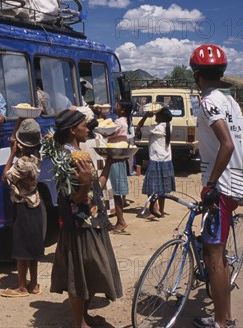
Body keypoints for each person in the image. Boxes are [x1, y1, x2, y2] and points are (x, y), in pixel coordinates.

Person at [189, 45, 243, 328]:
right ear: (222, 73)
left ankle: (220, 323)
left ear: (196, 75)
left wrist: (212, 184)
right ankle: (225, 317)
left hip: (220, 190)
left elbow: (227, 144)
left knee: (213, 257)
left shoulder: (207, 102)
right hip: (234, 187)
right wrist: (238, 174)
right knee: (218, 254)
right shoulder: (231, 102)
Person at [49, 109, 123, 328]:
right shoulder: (65, 157)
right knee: (78, 275)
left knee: (91, 272)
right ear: (73, 129)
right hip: (79, 226)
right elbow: (77, 199)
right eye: (84, 125)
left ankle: (84, 315)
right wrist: (83, 182)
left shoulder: (81, 153)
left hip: (94, 221)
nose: (87, 129)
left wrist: (109, 163)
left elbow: (96, 190)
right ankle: (78, 322)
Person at [0, 118, 44, 297]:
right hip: (36, 206)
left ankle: (21, 287)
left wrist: (11, 154)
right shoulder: (36, 157)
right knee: (32, 249)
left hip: (23, 207)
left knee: (21, 250)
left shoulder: (21, 163)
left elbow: (5, 178)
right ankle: (33, 285)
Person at [136, 108, 176, 217]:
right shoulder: (168, 126)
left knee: (151, 187)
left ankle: (154, 208)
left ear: (162, 117)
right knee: (163, 189)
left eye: (157, 115)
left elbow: (138, 128)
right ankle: (161, 210)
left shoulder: (156, 128)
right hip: (167, 160)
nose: (155, 117)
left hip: (156, 160)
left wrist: (145, 116)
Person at [107, 100, 134, 234]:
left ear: (122, 110)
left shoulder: (119, 123)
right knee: (118, 191)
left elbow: (108, 133)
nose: (114, 107)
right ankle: (119, 220)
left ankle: (121, 221)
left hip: (115, 157)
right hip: (120, 157)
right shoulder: (125, 121)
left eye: (117, 106)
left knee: (117, 192)